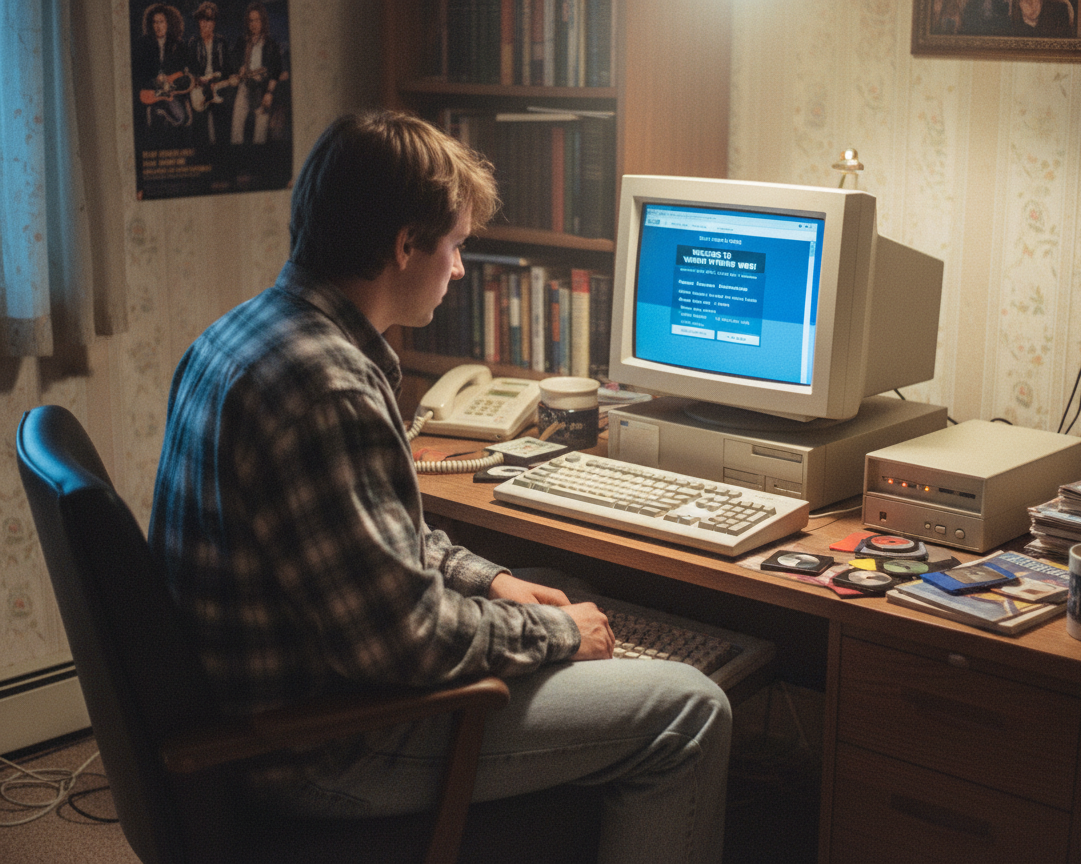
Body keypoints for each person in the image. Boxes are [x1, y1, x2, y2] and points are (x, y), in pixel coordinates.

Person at [149, 111, 732, 864]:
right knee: (691, 708)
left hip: (274, 700)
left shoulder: (242, 333)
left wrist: (491, 581)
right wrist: (562, 636)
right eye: (455, 245)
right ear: (404, 246)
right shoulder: (327, 389)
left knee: (549, 584)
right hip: (325, 749)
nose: (458, 270)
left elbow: (376, 538)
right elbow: (407, 643)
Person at [132, 3, 190, 144]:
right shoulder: (142, 44)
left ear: (168, 23)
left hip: (170, 94)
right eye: (155, 22)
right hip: (149, 93)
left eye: (161, 22)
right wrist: (155, 81)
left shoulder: (178, 45)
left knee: (181, 118)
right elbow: (137, 75)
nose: (158, 26)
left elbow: (182, 75)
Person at [229, 2, 282, 144]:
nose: (254, 24)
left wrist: (269, 93)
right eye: (251, 20)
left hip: (262, 90)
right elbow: (232, 59)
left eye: (257, 20)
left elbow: (276, 71)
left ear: (263, 21)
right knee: (236, 131)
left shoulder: (271, 45)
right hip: (244, 87)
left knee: (260, 135)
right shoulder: (242, 41)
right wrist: (239, 68)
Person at [187, 2, 232, 145]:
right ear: (199, 22)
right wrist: (200, 81)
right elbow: (190, 70)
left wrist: (220, 79)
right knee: (200, 132)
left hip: (218, 86)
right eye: (204, 20)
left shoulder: (221, 42)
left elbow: (227, 69)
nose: (207, 24)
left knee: (222, 127)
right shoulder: (193, 43)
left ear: (214, 22)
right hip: (200, 88)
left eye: (211, 20)